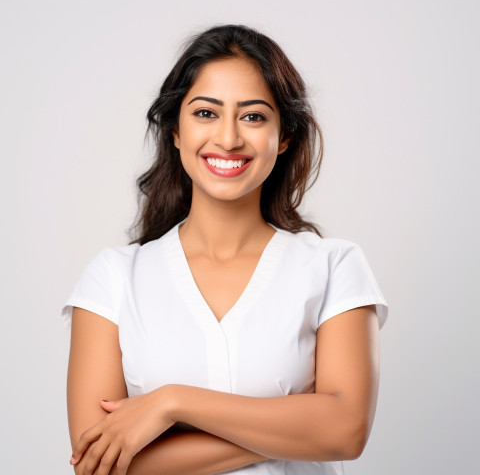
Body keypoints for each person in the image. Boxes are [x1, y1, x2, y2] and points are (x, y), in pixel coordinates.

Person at [62, 24, 388, 475]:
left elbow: (346, 431)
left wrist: (172, 404)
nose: (230, 138)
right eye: (206, 113)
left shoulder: (334, 267)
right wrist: (298, 430)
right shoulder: (112, 278)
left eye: (253, 116)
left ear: (285, 136)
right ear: (175, 130)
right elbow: (98, 462)